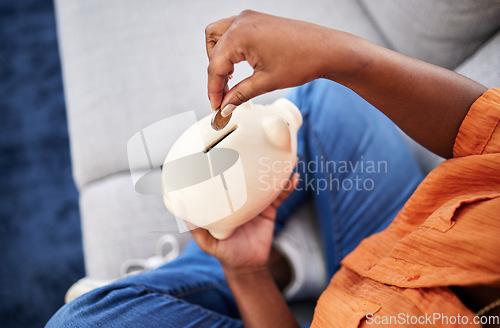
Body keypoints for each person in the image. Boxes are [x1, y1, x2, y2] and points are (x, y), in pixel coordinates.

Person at [47, 10, 500, 328]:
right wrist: (338, 54)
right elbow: (486, 132)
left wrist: (247, 273)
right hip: (405, 234)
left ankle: (233, 270)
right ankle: (299, 260)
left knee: (87, 319)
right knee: (323, 100)